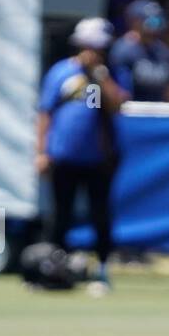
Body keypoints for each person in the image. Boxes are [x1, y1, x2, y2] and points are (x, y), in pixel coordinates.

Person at [37, 17, 127, 289]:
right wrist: (41, 152)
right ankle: (54, 271)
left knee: (100, 216)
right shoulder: (60, 72)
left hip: (98, 159)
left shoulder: (110, 74)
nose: (94, 52)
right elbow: (45, 113)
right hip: (63, 157)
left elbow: (117, 105)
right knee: (60, 216)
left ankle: (101, 269)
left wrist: (100, 77)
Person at [109, 0, 169, 102]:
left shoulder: (163, 51)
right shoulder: (123, 50)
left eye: (159, 21)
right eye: (151, 21)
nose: (156, 27)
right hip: (133, 112)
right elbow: (122, 92)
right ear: (134, 21)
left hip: (158, 112)